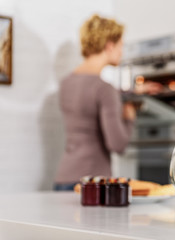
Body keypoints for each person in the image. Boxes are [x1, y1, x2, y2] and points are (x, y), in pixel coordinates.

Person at [54, 15, 139, 191]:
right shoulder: (105, 89)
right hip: (93, 183)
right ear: (109, 45)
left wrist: (131, 91)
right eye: (121, 45)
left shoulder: (66, 83)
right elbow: (118, 145)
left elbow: (88, 97)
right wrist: (129, 119)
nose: (121, 52)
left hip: (63, 180)